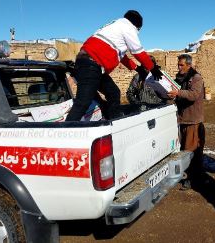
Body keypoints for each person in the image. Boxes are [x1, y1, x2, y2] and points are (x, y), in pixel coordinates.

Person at [66, 10, 162, 121]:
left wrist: (137, 68)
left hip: (92, 66)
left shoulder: (115, 26)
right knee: (82, 103)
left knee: (113, 93)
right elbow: (137, 51)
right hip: (91, 65)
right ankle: (66, 133)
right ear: (137, 26)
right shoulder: (128, 27)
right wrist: (152, 68)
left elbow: (121, 55)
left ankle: (112, 123)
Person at [168, 54, 205, 190]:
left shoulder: (196, 78)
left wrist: (178, 93)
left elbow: (193, 95)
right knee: (184, 149)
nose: (179, 67)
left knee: (191, 150)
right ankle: (189, 175)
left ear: (189, 65)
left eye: (181, 65)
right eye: (178, 64)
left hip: (192, 120)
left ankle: (193, 178)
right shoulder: (179, 78)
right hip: (182, 119)